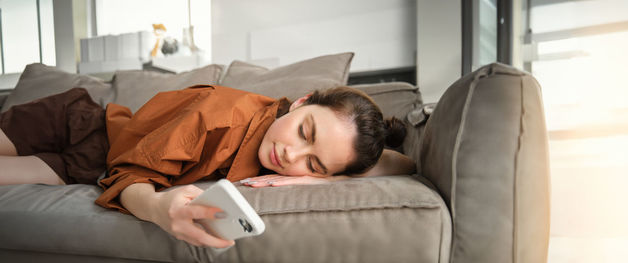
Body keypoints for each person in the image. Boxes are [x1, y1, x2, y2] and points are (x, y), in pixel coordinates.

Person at [0, 84, 416, 248]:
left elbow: (402, 163)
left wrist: (324, 178)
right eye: (304, 132)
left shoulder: (294, 161)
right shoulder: (225, 115)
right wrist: (159, 209)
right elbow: (130, 174)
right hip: (80, 123)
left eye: (314, 163)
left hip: (85, 166)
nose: (291, 156)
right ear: (303, 101)